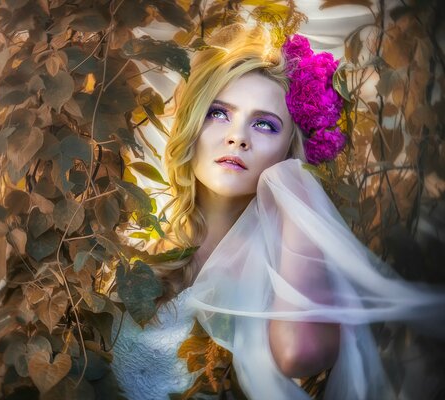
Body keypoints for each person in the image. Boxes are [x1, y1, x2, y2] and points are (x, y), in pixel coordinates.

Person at [110, 23, 445, 400]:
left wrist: (295, 182)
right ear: (192, 123)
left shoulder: (285, 273)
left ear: (288, 149)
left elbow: (299, 352)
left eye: (264, 124)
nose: (238, 137)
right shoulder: (129, 252)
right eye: (219, 113)